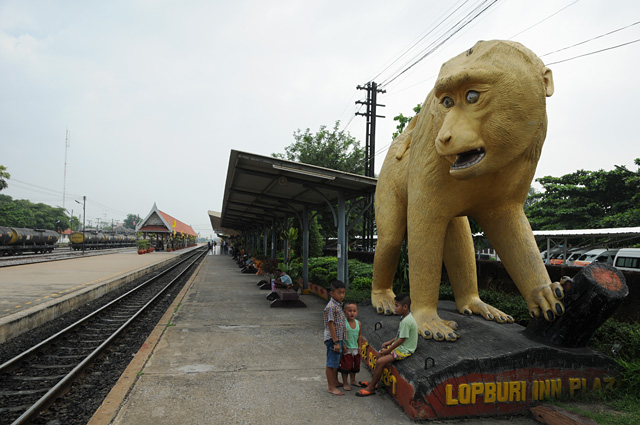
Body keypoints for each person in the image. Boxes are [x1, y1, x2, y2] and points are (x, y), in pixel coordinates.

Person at [356, 293, 418, 397]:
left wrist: (388, 350)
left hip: (405, 350)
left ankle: (371, 388)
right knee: (379, 354)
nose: (395, 308)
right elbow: (401, 335)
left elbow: (402, 339)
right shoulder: (405, 317)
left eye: (397, 306)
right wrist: (390, 342)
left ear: (405, 306)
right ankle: (374, 383)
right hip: (401, 346)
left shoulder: (407, 321)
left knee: (380, 361)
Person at [323, 280, 347, 396]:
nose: (341, 295)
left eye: (343, 293)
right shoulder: (331, 306)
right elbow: (331, 324)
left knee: (336, 361)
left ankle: (335, 381)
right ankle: (331, 387)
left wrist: (342, 342)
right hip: (333, 339)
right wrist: (336, 342)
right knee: (331, 363)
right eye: (339, 293)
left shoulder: (338, 304)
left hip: (338, 339)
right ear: (332, 293)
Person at [338, 301, 362, 391]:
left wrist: (360, 346)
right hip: (347, 349)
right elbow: (339, 335)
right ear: (344, 312)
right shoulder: (343, 323)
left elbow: (359, 335)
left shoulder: (358, 323)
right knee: (345, 366)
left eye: (354, 311)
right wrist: (343, 345)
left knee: (355, 365)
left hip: (355, 348)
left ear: (357, 312)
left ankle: (353, 380)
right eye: (349, 311)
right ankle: (345, 383)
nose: (352, 313)